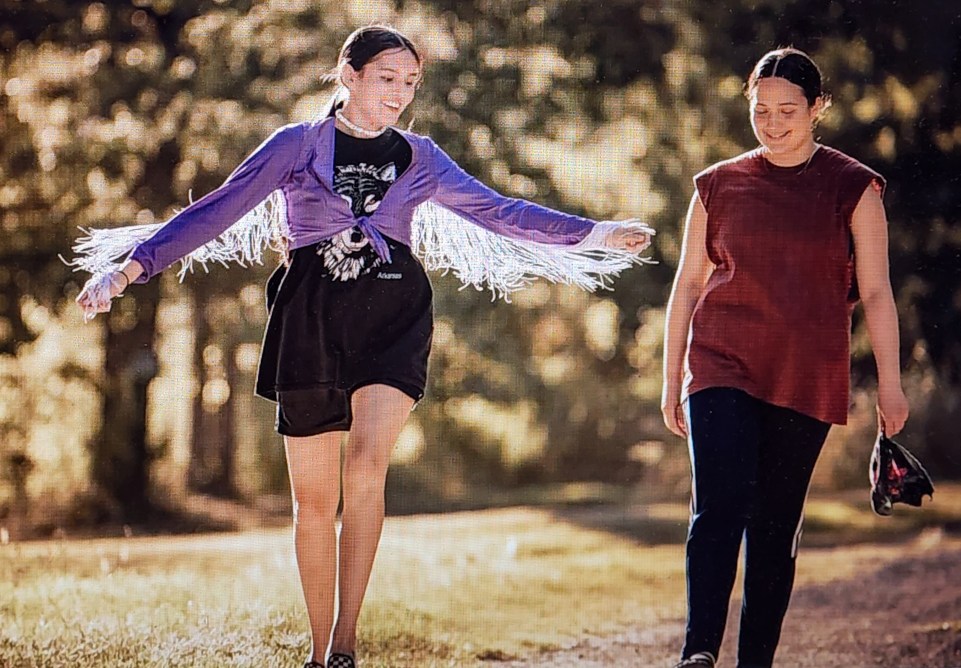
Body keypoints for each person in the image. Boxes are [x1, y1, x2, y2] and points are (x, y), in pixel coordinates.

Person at [73, 25, 652, 668]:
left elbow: (499, 210)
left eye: (409, 83)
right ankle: (320, 651)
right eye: (386, 79)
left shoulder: (421, 157)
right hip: (309, 321)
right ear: (347, 75)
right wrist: (129, 269)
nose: (400, 94)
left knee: (368, 465)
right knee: (314, 503)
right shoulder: (296, 146)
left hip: (393, 320)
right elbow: (218, 209)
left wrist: (593, 232)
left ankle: (347, 640)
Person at [660, 48, 909, 668]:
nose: (772, 124)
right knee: (718, 503)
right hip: (721, 362)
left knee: (774, 528)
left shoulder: (854, 187)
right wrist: (672, 381)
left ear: (818, 108)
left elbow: (876, 291)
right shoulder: (717, 185)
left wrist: (891, 386)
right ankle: (698, 652)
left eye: (787, 111)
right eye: (760, 111)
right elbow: (689, 286)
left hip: (807, 375)